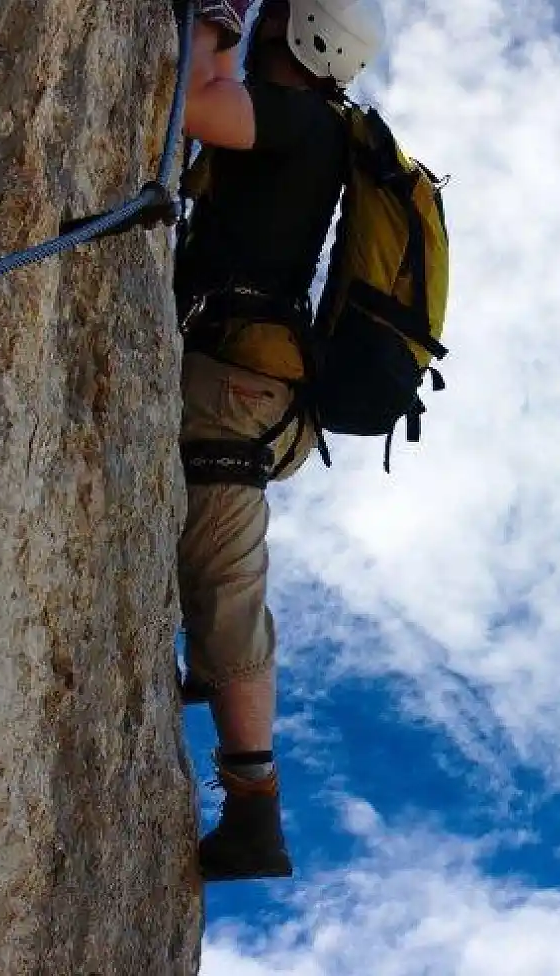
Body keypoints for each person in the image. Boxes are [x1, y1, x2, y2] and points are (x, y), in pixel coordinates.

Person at [176, 0, 386, 882]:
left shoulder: (298, 118)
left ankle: (256, 809)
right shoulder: (316, 125)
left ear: (297, 35)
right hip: (256, 387)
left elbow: (184, 102)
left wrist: (214, 23)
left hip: (235, 392)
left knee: (227, 582)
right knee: (217, 571)